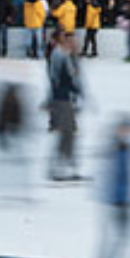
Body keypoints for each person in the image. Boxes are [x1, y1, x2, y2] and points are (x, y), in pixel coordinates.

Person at [99, 118, 130, 258]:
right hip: (120, 201)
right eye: (125, 130)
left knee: (125, 235)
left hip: (125, 200)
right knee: (120, 235)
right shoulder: (117, 152)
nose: (128, 133)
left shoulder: (126, 150)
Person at [46, 32, 86, 182]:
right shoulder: (60, 56)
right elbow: (61, 80)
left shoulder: (66, 56)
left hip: (66, 100)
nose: (76, 45)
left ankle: (66, 166)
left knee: (69, 134)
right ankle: (60, 167)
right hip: (63, 100)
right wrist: (76, 92)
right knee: (67, 134)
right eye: (73, 42)